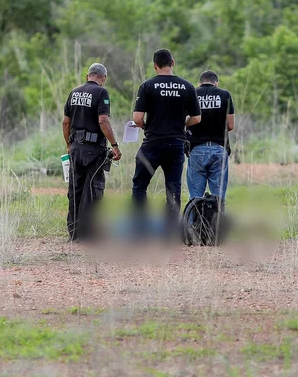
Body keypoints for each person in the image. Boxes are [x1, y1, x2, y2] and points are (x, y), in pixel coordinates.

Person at [131, 49, 202, 234]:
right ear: (173, 62)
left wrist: (146, 127)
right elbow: (196, 118)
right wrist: (181, 124)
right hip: (176, 144)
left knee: (140, 185)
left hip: (152, 144)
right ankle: (170, 232)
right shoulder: (187, 87)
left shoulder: (147, 86)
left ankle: (140, 229)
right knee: (173, 188)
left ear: (155, 66)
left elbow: (137, 118)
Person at [61, 63, 122, 242]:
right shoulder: (101, 92)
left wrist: (68, 144)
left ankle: (74, 232)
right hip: (94, 149)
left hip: (76, 148)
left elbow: (65, 122)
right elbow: (103, 121)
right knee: (93, 189)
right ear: (103, 78)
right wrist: (115, 145)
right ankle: (87, 234)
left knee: (75, 189)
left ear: (88, 75)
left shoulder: (74, 92)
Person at [187, 70, 235, 202]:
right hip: (219, 148)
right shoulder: (225, 94)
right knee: (219, 197)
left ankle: (194, 222)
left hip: (196, 149)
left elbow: (184, 120)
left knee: (195, 196)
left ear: (199, 82)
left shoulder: (192, 93)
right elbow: (230, 125)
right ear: (216, 83)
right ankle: (217, 222)